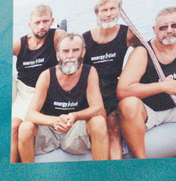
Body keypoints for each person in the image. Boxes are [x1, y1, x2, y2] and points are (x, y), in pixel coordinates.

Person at [18, 33, 109, 162]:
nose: (70, 55)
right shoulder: (46, 75)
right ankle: (28, 176)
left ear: (83, 52)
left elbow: (98, 108)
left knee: (99, 122)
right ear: (58, 55)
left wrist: (74, 116)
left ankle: (101, 175)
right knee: (25, 127)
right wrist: (55, 121)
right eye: (65, 51)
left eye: (75, 50)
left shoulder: (90, 72)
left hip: (76, 130)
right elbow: (31, 114)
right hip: (50, 130)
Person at [117, 7, 176, 159]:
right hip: (151, 111)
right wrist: (162, 86)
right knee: (128, 105)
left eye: (174, 25)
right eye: (163, 27)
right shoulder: (143, 52)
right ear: (154, 30)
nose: (169, 30)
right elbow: (123, 90)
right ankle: (142, 162)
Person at [82, 0, 137, 160]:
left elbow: (145, 53)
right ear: (97, 14)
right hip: (92, 90)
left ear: (120, 10)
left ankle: (116, 169)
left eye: (112, 8)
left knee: (113, 129)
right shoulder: (85, 39)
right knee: (100, 126)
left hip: (114, 87)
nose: (109, 13)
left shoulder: (128, 34)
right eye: (104, 10)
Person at [11, 5, 66, 163]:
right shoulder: (20, 44)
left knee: (27, 127)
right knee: (14, 126)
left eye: (45, 21)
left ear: (52, 21)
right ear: (30, 24)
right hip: (26, 92)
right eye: (37, 22)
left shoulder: (57, 36)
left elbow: (74, 52)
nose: (41, 26)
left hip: (50, 91)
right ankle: (11, 169)